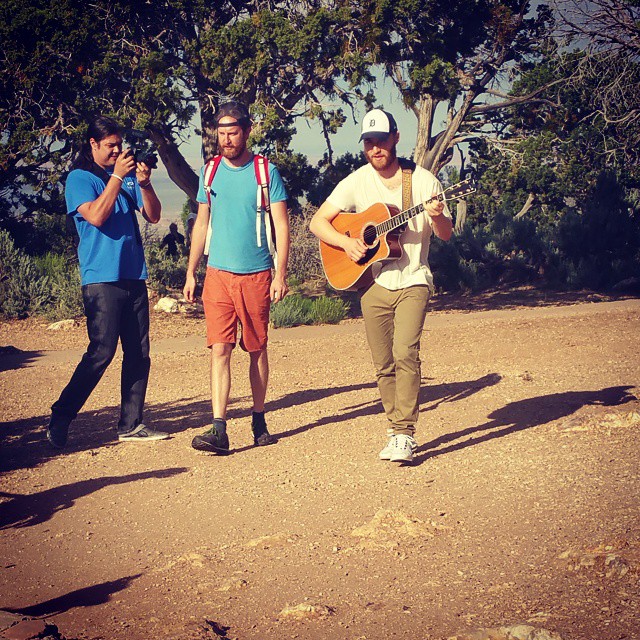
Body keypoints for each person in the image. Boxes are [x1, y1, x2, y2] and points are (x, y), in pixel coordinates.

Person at [309, 108, 453, 463]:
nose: (375, 149)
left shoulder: (423, 182)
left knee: (406, 352)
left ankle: (405, 433)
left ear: (396, 138)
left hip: (414, 278)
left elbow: (446, 234)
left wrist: (437, 215)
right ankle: (394, 427)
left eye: (381, 141)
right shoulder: (357, 181)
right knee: (383, 362)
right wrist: (346, 244)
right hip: (372, 282)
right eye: (369, 142)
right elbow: (318, 222)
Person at [46, 116, 169, 448]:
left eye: (119, 145)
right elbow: (97, 216)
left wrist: (143, 182)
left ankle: (131, 424)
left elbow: (154, 216)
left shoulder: (126, 179)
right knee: (101, 352)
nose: (117, 151)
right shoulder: (79, 179)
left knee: (138, 353)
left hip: (133, 274)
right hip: (101, 278)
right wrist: (117, 176)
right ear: (93, 145)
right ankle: (60, 417)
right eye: (110, 146)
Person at [183, 101, 290, 454]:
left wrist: (280, 273)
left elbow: (281, 226)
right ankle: (219, 429)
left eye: (232, 133)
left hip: (257, 274)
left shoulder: (265, 172)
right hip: (217, 275)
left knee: (257, 349)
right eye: (221, 133)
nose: (226, 140)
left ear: (246, 131)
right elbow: (201, 223)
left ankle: (259, 420)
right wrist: (191, 271)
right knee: (220, 349)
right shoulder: (209, 172)